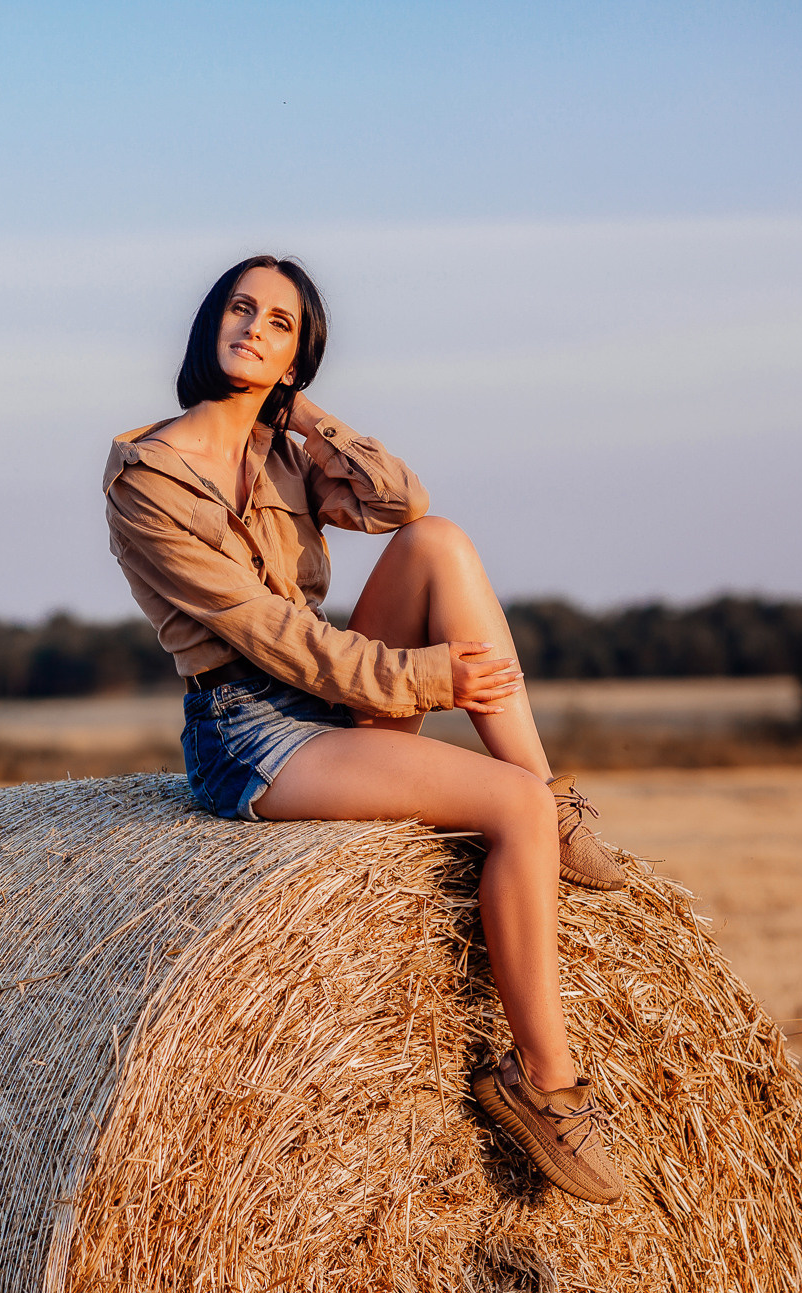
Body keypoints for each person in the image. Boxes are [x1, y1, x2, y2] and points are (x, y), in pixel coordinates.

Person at [102, 255, 631, 1203]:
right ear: (208, 321)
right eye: (241, 308)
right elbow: (272, 635)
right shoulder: (148, 477)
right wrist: (429, 676)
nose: (254, 327)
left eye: (281, 323)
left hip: (336, 694)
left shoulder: (288, 455)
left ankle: (552, 803)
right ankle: (541, 1083)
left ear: (297, 355)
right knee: (499, 807)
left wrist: (304, 414)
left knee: (442, 544)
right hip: (252, 731)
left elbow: (400, 503)